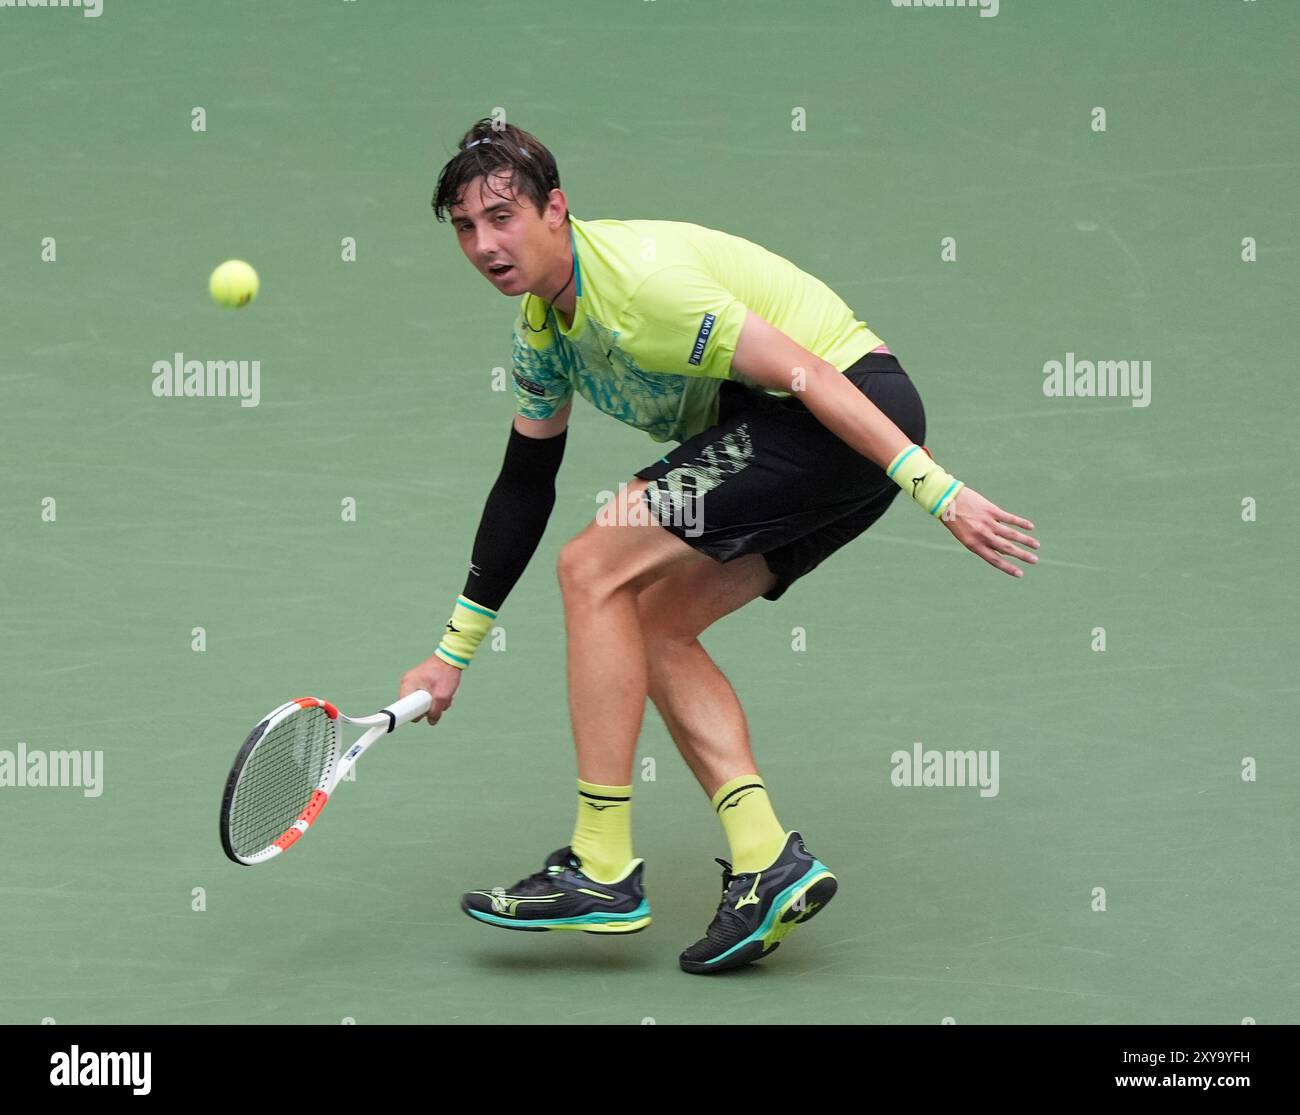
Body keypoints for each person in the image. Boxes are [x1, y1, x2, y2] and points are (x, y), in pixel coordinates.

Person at [399, 119, 1039, 974]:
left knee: (591, 565)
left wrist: (939, 491)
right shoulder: (542, 331)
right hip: (786, 434)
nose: (486, 243)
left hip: (832, 414)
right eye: (466, 228)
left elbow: (810, 375)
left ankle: (601, 865)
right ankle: (766, 860)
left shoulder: (643, 288)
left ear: (557, 209)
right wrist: (452, 654)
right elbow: (524, 484)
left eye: (503, 216)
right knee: (650, 622)